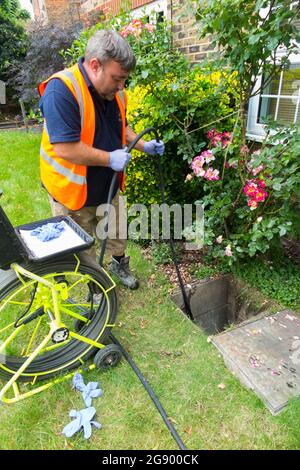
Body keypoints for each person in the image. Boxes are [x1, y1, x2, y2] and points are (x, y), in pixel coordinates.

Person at [38, 29, 165, 289]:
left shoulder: (116, 92)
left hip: (107, 186)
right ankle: (96, 288)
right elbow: (65, 148)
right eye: (117, 78)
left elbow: (122, 130)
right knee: (84, 246)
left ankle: (119, 265)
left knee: (116, 232)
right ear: (95, 65)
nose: (122, 86)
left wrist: (144, 146)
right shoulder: (61, 91)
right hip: (72, 192)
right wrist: (109, 159)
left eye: (124, 80)